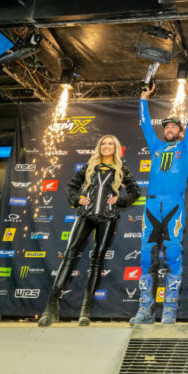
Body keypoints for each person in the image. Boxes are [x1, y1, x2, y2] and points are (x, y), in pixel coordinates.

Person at [38, 134, 140, 327]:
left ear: (115, 148)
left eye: (110, 144)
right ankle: (50, 309)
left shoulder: (122, 169)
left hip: (108, 218)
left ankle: (86, 311)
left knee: (97, 260)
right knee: (70, 255)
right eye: (103, 143)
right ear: (99, 147)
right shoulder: (89, 166)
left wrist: (120, 200)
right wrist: (77, 200)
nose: (106, 146)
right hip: (85, 215)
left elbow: (135, 191)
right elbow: (70, 187)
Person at [129, 77, 188, 325]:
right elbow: (146, 125)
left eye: (174, 127)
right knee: (147, 257)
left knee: (174, 255)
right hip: (151, 206)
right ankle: (145, 310)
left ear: (180, 131)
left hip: (174, 205)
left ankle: (169, 311)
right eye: (167, 127)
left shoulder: (186, 146)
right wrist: (143, 100)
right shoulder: (156, 146)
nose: (169, 129)